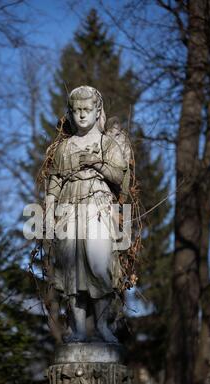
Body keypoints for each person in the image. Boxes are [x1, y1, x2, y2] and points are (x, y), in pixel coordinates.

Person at [45, 86, 128, 343]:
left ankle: (103, 325)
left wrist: (97, 163)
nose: (81, 115)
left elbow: (120, 176)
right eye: (77, 111)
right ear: (70, 113)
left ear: (97, 111)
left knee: (98, 264)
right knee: (72, 271)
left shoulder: (106, 143)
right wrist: (49, 211)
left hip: (98, 208)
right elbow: (55, 181)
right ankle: (78, 329)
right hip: (69, 209)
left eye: (87, 110)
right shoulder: (65, 147)